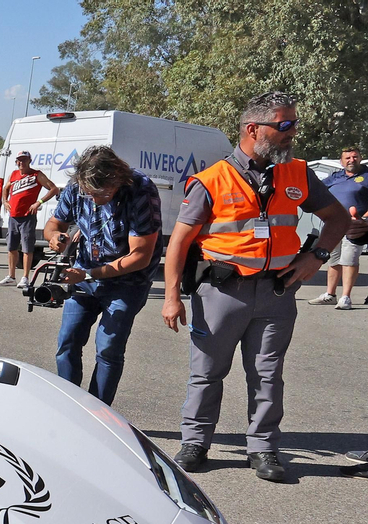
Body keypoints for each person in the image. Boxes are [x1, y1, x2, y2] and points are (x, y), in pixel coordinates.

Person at [161, 90, 358, 483]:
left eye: (294, 124)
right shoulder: (211, 180)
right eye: (285, 125)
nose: (293, 133)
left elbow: (336, 219)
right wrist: (171, 298)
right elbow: (179, 243)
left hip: (276, 293)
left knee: (268, 374)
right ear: (254, 129)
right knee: (207, 372)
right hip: (221, 293)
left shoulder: (298, 172)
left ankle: (264, 448)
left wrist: (315, 257)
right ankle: (196, 442)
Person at [41, 146, 162, 406]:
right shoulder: (77, 187)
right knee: (67, 342)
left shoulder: (141, 190)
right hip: (84, 275)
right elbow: (53, 225)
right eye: (88, 194)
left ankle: (98, 413)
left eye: (100, 194)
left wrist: (88, 273)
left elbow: (139, 255)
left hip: (127, 281)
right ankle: (70, 407)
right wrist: (55, 238)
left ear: (117, 179)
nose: (93, 200)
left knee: (108, 348)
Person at [307, 146, 368, 310]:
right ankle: (330, 295)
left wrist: (365, 218)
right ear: (341, 161)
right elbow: (317, 191)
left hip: (356, 226)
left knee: (349, 260)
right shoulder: (335, 177)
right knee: (333, 260)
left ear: (360, 158)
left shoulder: (366, 176)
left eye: (354, 157)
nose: (351, 160)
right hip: (334, 225)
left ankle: (346, 297)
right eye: (347, 158)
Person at [0, 150, 60, 287]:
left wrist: (39, 202)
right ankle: (11, 276)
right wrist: (5, 201)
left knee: (27, 248)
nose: (21, 162)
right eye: (19, 160)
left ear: (29, 161)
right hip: (13, 216)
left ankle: (25, 278)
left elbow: (54, 189)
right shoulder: (13, 175)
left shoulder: (36, 175)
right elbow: (5, 188)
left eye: (24, 160)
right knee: (12, 247)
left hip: (27, 217)